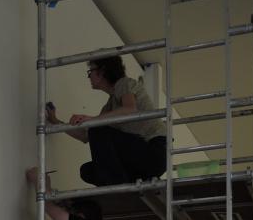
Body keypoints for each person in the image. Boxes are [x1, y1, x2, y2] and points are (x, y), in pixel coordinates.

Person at [46, 55, 167, 187]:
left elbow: (130, 109)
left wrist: (91, 120)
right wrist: (56, 122)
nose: (89, 76)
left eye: (90, 71)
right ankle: (121, 185)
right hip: (139, 161)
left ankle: (118, 187)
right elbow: (85, 136)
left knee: (97, 129)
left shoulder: (124, 83)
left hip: (154, 152)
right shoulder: (109, 107)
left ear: (102, 71)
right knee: (87, 171)